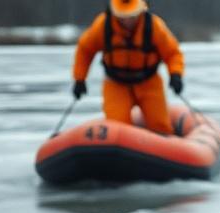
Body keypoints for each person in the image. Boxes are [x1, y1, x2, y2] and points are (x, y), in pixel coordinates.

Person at [70, 0, 184, 135]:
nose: (127, 21)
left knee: (159, 124)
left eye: (132, 16)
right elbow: (85, 50)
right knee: (116, 126)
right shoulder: (103, 25)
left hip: (148, 83)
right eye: (122, 16)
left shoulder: (153, 26)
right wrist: (79, 79)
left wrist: (175, 74)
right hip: (116, 84)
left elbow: (172, 53)